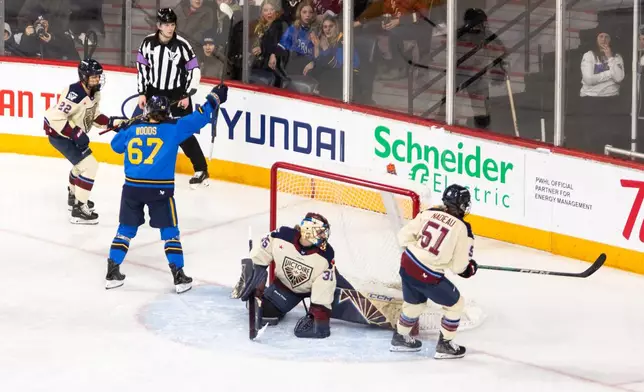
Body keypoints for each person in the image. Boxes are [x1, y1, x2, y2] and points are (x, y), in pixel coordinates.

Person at [104, 85, 228, 294]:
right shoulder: (174, 128)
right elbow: (202, 116)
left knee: (125, 229)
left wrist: (125, 127)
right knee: (170, 233)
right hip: (159, 191)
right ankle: (179, 276)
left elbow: (115, 147)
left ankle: (112, 272)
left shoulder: (132, 128)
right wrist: (215, 97)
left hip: (132, 189)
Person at [391, 184, 477, 359]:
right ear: (462, 205)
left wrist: (421, 253)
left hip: (407, 264)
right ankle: (445, 345)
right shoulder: (463, 229)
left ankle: (400, 337)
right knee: (456, 304)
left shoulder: (429, 212)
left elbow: (403, 237)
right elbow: (459, 267)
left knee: (415, 304)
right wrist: (469, 268)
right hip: (428, 274)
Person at [43, 59, 126, 224]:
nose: (97, 79)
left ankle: (73, 196)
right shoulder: (74, 93)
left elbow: (93, 116)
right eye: (93, 76)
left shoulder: (95, 93)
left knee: (82, 165)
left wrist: (111, 123)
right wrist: (75, 133)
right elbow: (54, 117)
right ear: (83, 77)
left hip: (71, 135)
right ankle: (79, 209)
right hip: (60, 135)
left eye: (98, 76)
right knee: (90, 166)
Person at [136, 8, 210, 189]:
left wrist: (187, 94)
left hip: (178, 94)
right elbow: (142, 68)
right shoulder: (147, 43)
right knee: (152, 129)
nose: (170, 28)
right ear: (158, 26)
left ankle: (201, 169)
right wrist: (142, 92)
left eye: (172, 24)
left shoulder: (182, 45)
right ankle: (152, 166)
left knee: (182, 132)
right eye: (166, 25)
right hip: (154, 92)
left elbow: (194, 70)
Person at [238, 212, 336, 338]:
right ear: (308, 229)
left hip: (319, 285)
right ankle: (265, 295)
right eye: (320, 232)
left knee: (342, 299)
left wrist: (319, 316)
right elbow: (261, 252)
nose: (324, 236)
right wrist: (253, 275)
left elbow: (325, 284)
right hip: (287, 288)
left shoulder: (326, 254)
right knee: (267, 311)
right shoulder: (282, 236)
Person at [580, 31, 625, 97]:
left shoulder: (617, 57)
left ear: (610, 40)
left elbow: (619, 78)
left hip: (612, 96)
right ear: (596, 39)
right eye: (601, 36)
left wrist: (610, 57)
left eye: (606, 37)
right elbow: (589, 79)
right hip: (591, 96)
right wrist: (610, 74)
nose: (603, 40)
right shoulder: (589, 55)